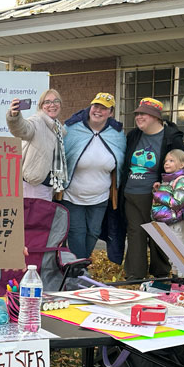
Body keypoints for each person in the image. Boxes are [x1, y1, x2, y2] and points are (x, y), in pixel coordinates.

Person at [120, 97, 184, 280]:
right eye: (137, 114)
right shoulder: (134, 135)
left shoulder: (170, 137)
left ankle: (161, 274)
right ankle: (135, 276)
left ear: (156, 117)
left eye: (143, 114)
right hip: (131, 194)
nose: (138, 117)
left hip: (155, 195)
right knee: (135, 234)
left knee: (158, 234)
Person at [60, 92, 126, 259]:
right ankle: (80, 267)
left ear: (110, 113)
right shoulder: (71, 129)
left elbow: (122, 160)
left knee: (94, 232)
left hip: (100, 197)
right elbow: (59, 155)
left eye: (104, 108)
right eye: (96, 106)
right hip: (72, 195)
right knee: (77, 232)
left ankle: (80, 263)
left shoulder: (117, 134)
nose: (98, 111)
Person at [5, 89, 66, 200]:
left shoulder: (57, 128)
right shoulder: (37, 121)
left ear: (60, 105)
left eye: (56, 101)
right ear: (41, 106)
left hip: (47, 186)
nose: (52, 105)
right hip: (32, 186)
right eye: (47, 102)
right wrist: (15, 117)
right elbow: (22, 129)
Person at [151, 149, 184, 247]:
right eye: (165, 161)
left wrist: (159, 194)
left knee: (178, 253)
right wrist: (158, 190)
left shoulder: (181, 181)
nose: (166, 163)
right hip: (169, 223)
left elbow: (177, 202)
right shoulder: (168, 181)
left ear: (181, 165)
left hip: (178, 225)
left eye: (171, 161)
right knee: (171, 253)